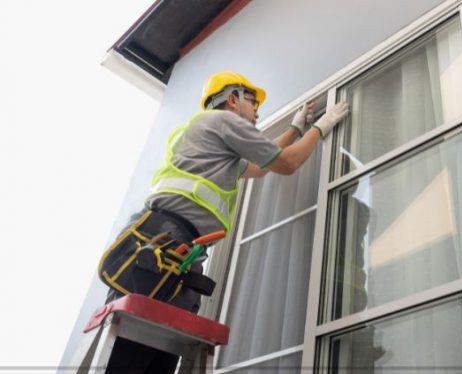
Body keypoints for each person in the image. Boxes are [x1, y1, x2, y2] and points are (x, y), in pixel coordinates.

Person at [96, 71, 349, 373]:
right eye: (254, 103)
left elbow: (259, 166)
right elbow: (287, 163)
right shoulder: (223, 122)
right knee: (131, 352)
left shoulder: (207, 135)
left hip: (173, 246)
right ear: (232, 99)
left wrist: (296, 128)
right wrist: (320, 128)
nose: (257, 112)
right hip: (166, 244)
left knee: (153, 350)